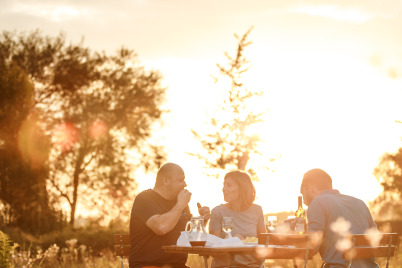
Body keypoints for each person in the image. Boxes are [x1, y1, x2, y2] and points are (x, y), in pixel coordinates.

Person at [129, 163, 210, 268]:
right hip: (147, 265)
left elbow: (188, 236)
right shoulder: (144, 198)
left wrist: (202, 221)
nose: (185, 184)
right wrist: (180, 205)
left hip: (177, 265)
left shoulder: (180, 203)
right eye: (180, 180)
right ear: (166, 181)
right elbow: (161, 227)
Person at [298, 168, 379, 268]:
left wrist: (294, 240)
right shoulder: (360, 203)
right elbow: (376, 240)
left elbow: (312, 248)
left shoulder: (317, 203)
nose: (304, 201)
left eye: (302, 192)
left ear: (310, 188)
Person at [209, 170, 265, 268]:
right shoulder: (217, 212)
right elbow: (212, 249)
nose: (224, 189)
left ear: (242, 189)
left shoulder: (257, 210)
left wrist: (242, 241)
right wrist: (232, 242)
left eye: (229, 185)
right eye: (224, 185)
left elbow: (263, 242)